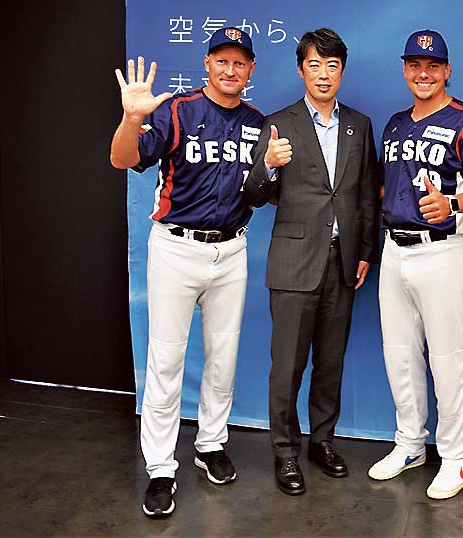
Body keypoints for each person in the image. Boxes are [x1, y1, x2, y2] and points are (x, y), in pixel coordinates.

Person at [110, 27, 262, 517]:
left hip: (231, 252)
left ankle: (210, 444)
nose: (230, 70)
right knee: (167, 360)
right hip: (176, 249)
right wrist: (132, 119)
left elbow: (264, 188)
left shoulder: (258, 123)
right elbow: (122, 158)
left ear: (251, 70)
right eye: (222, 60)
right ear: (207, 64)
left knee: (223, 357)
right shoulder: (177, 110)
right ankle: (159, 468)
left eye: (239, 62)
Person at [244, 28, 379, 496]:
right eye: (315, 65)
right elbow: (254, 195)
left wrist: (365, 252)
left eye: (333, 65)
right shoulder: (278, 124)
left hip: (343, 264)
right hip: (293, 263)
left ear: (342, 70)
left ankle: (322, 441)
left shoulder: (359, 125)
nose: (324, 74)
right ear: (301, 70)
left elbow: (364, 195)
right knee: (287, 366)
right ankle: (285, 452)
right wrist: (268, 165)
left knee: (330, 363)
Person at [367, 30, 463, 499]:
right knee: (399, 355)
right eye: (415, 65)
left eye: (433, 66)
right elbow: (386, 186)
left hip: (445, 251)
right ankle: (410, 444)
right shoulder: (396, 123)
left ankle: (457, 456)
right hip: (395, 249)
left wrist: (456, 204)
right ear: (405, 69)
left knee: (446, 360)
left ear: (446, 71)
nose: (424, 74)